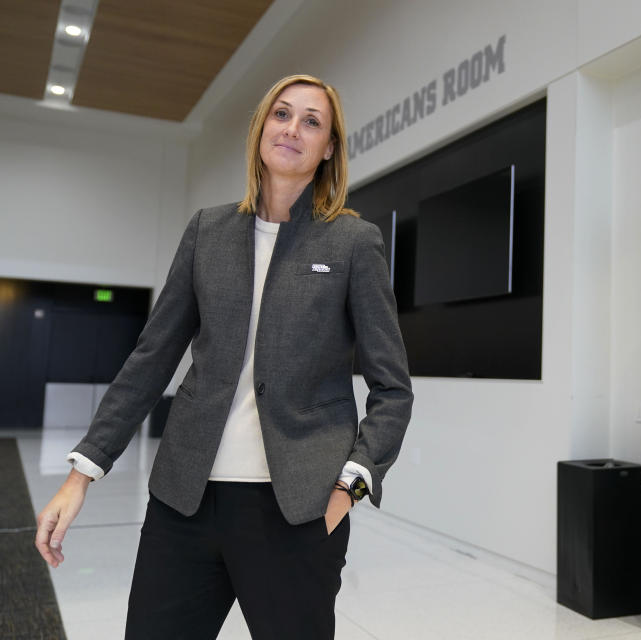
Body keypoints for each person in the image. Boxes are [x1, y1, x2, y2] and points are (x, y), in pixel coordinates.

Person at [34, 74, 413, 639]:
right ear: (262, 127)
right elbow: (152, 357)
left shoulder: (352, 244)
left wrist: (349, 490)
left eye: (313, 121)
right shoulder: (208, 231)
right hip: (184, 503)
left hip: (299, 514)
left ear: (329, 148)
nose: (293, 128)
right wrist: (82, 472)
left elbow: (392, 389)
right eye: (282, 114)